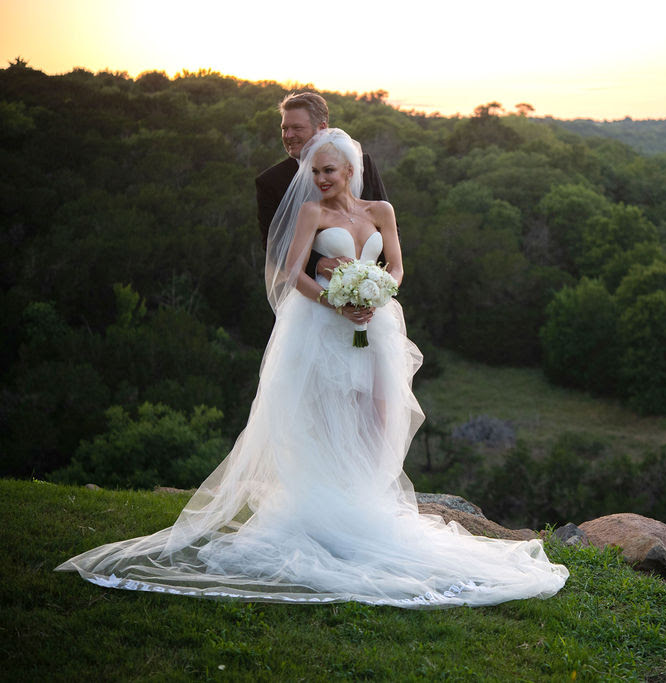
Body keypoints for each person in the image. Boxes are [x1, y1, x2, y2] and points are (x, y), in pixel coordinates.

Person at [56, 129, 568, 607]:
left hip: (376, 327)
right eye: (315, 171)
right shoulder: (310, 213)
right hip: (323, 328)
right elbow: (290, 270)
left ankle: (366, 506)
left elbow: (396, 266)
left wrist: (378, 290)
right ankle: (324, 515)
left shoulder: (381, 210)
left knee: (377, 418)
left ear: (350, 171)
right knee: (326, 418)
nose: (320, 178)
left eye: (328, 171)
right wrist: (335, 302)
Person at [255, 91, 388, 279]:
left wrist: (373, 282)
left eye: (297, 128)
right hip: (311, 287)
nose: (288, 135)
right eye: (284, 128)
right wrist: (319, 264)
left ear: (322, 128)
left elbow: (388, 228)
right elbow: (274, 245)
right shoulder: (271, 182)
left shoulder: (361, 165)